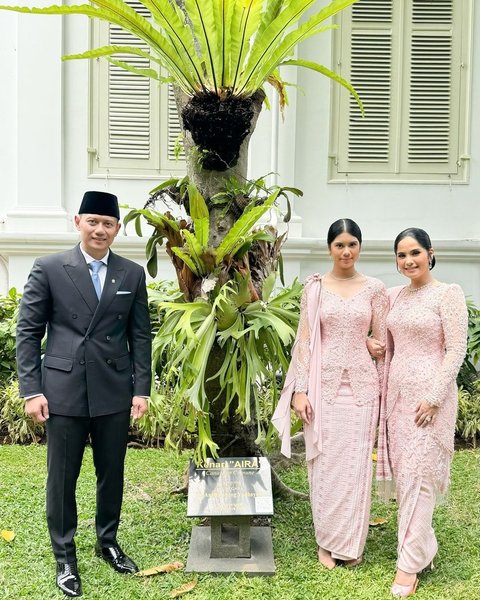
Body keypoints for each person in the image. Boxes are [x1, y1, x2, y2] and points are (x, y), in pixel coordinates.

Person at [16, 191, 152, 598]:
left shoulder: (131, 274)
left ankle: (107, 542)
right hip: (63, 390)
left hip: (113, 388)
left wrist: (141, 389)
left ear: (117, 229)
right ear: (78, 222)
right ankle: (65, 557)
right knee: (62, 477)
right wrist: (31, 390)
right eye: (93, 221)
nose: (100, 229)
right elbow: (28, 332)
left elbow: (140, 335)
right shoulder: (50, 267)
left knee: (112, 473)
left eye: (108, 223)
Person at [272, 218, 388, 569]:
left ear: (360, 247)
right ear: (330, 249)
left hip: (364, 389)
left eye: (352, 244)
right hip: (323, 389)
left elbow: (383, 345)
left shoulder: (375, 289)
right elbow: (304, 341)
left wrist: (383, 387)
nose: (346, 251)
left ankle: (350, 542)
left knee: (354, 465)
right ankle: (326, 541)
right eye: (339, 245)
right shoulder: (315, 288)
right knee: (323, 464)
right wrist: (300, 391)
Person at [376, 228, 468, 597]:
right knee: (407, 480)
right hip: (398, 401)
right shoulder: (394, 297)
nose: (408, 260)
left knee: (420, 477)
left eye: (414, 252)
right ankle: (424, 548)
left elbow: (456, 349)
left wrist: (433, 397)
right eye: (401, 255)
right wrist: (372, 344)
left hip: (432, 402)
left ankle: (408, 564)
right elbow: (388, 347)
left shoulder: (448, 294)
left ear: (430, 253)